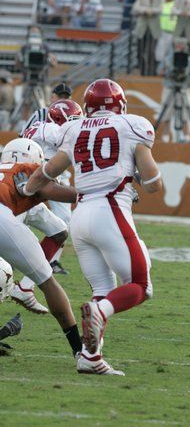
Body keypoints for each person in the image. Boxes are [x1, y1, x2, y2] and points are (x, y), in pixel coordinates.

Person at [23, 78, 163, 376]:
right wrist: (143, 168)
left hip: (80, 217)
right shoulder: (133, 126)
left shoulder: (74, 130)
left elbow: (43, 175)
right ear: (120, 104)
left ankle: (90, 355)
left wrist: (26, 190)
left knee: (103, 287)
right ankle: (100, 312)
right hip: (110, 209)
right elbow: (152, 185)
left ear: (88, 107)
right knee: (141, 285)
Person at [1, 138, 83, 362]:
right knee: (48, 283)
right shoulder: (29, 169)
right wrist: (99, 193)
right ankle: (80, 350)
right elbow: (58, 192)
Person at [21, 99, 85, 275]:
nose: (77, 124)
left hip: (42, 178)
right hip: (29, 183)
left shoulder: (45, 129)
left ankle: (43, 268)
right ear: (59, 118)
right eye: (73, 119)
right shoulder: (50, 129)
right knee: (18, 234)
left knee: (60, 226)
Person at [157, 39, 190, 142]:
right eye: (178, 44)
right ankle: (165, 139)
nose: (180, 46)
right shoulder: (168, 59)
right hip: (170, 89)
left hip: (184, 90)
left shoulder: (189, 61)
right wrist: (169, 72)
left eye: (182, 44)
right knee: (166, 115)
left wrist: (189, 81)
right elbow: (159, 71)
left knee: (185, 116)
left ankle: (186, 138)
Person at [132, 0, 164, 76]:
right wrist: (146, 10)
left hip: (154, 29)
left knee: (151, 51)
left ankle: (151, 72)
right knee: (140, 51)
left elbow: (161, 9)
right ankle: (142, 71)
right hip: (142, 28)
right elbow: (136, 7)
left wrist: (151, 11)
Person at [155, 0, 177, 67]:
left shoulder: (176, 4)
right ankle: (160, 70)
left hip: (174, 32)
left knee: (171, 53)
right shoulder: (161, 4)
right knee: (160, 53)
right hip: (162, 32)